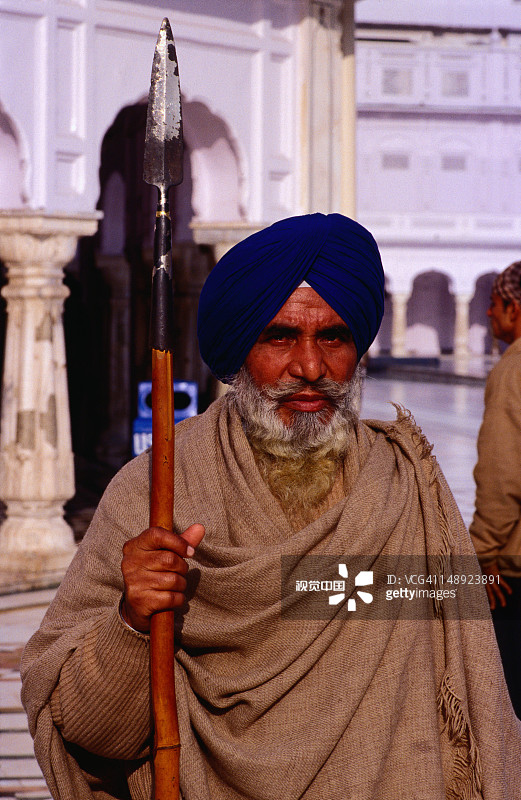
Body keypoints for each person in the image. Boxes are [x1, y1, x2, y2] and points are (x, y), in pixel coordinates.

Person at [21, 214, 521, 800]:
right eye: (279, 337)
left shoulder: (405, 482)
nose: (310, 368)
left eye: (332, 337)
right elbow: (87, 733)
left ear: (358, 350)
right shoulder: (158, 490)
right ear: (239, 350)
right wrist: (132, 622)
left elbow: (467, 674)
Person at [469, 260, 521, 718]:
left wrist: (481, 560)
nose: (489, 316)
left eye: (494, 305)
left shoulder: (513, 370)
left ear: (514, 308)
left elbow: (504, 478)